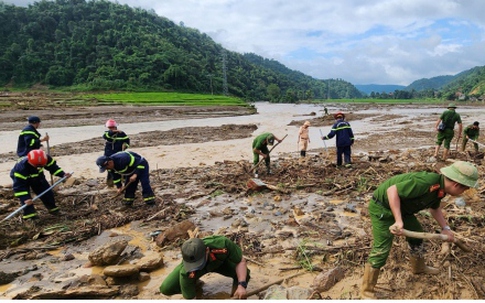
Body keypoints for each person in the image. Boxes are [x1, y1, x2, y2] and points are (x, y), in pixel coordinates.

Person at [360, 161, 478, 299]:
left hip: (403, 210)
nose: (463, 192)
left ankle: (418, 267)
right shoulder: (426, 182)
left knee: (417, 236)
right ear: (457, 185)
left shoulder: (440, 190)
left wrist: (445, 228)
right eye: (464, 189)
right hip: (383, 209)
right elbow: (392, 191)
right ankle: (366, 292)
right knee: (381, 249)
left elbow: (434, 209)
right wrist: (398, 220)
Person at [159, 236, 251, 299]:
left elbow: (240, 261)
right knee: (166, 288)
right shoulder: (186, 271)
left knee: (244, 274)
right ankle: (195, 284)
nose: (196, 267)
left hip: (220, 263)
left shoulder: (222, 244)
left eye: (198, 263)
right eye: (193, 265)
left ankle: (236, 296)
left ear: (207, 250)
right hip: (194, 273)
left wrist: (241, 285)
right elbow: (191, 299)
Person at [10, 149, 72, 221]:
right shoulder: (21, 169)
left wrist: (62, 174)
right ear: (30, 161)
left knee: (47, 192)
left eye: (41, 166)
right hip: (23, 179)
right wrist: (25, 197)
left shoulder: (46, 159)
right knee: (26, 200)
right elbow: (19, 186)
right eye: (36, 166)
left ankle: (53, 209)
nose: (38, 167)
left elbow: (53, 167)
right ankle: (30, 216)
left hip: (38, 176)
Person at [102, 119, 130, 187]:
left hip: (119, 154)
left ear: (115, 126)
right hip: (109, 154)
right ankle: (110, 183)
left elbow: (127, 141)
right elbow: (106, 136)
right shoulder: (107, 134)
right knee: (110, 169)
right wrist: (115, 131)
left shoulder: (122, 134)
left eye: (112, 128)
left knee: (121, 167)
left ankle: (124, 182)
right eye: (110, 128)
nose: (111, 129)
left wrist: (125, 146)